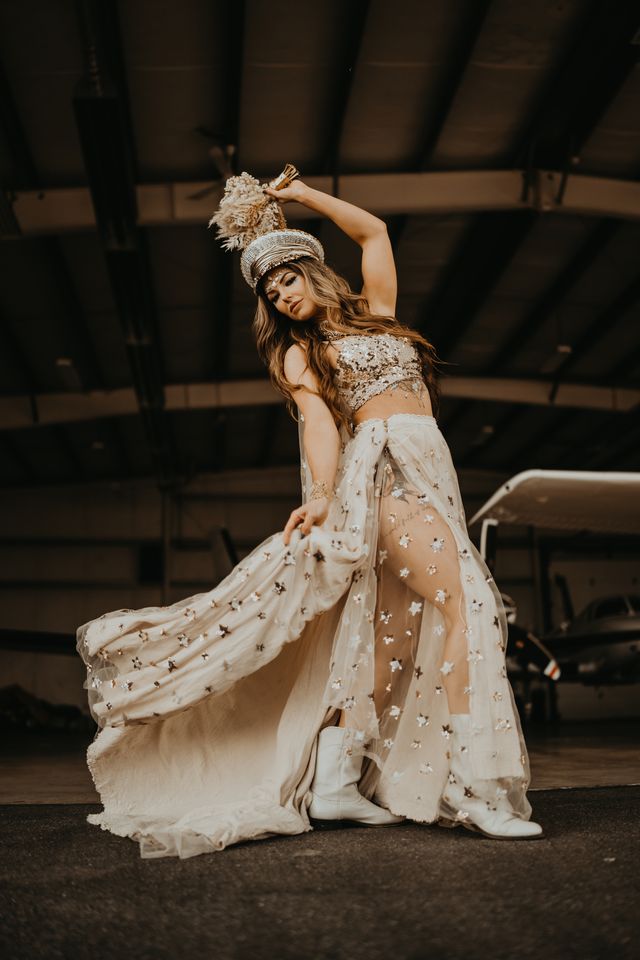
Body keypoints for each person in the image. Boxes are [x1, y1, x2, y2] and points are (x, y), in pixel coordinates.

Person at [76, 167, 543, 859]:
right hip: (385, 478)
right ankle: (479, 786)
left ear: (312, 270)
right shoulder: (302, 353)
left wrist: (298, 197)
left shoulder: (379, 315)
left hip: (430, 474)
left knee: (389, 637)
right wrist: (321, 496)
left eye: (287, 281)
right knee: (466, 603)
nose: (282, 297)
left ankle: (336, 778)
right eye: (270, 293)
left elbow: (375, 231)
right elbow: (319, 427)